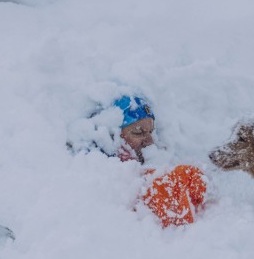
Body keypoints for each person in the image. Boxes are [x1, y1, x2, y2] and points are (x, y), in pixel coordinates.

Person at [76, 94, 207, 228]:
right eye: (138, 132)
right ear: (112, 135)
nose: (150, 142)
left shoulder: (153, 165)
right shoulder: (92, 172)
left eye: (151, 132)